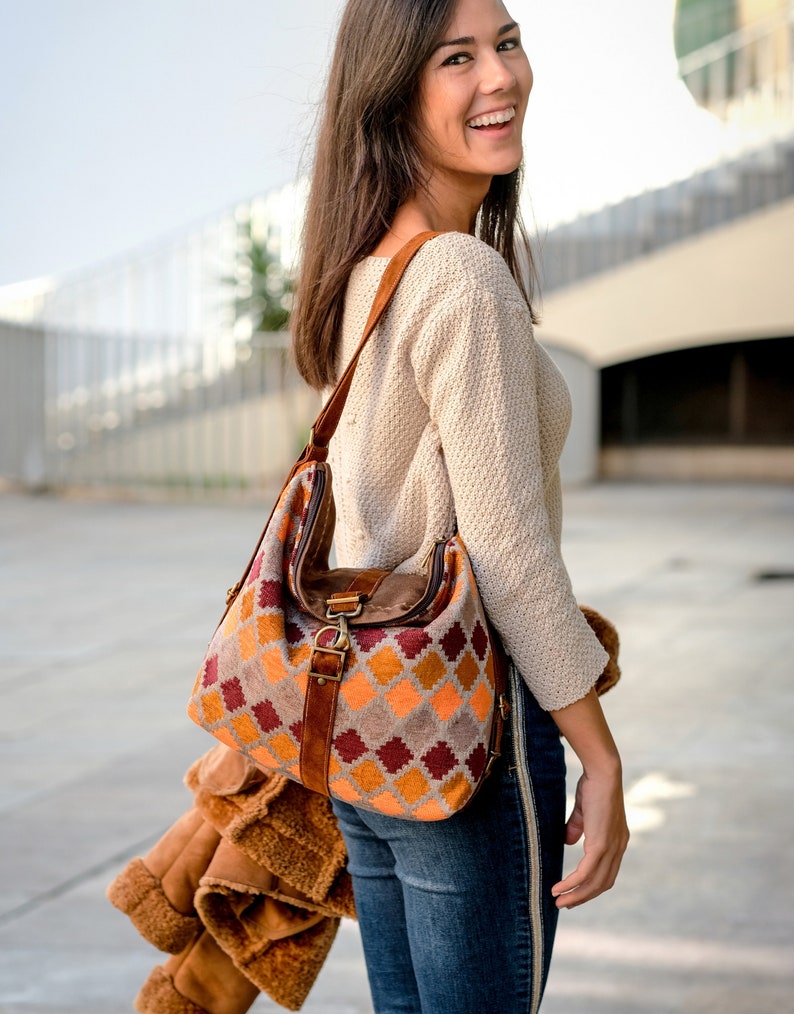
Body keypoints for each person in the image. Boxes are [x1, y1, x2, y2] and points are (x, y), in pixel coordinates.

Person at [290, 1, 630, 1011]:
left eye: (508, 43)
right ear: (393, 95)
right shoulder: (461, 276)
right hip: (462, 728)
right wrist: (598, 755)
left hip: (364, 724)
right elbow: (508, 555)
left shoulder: (364, 272)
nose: (501, 77)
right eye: (457, 58)